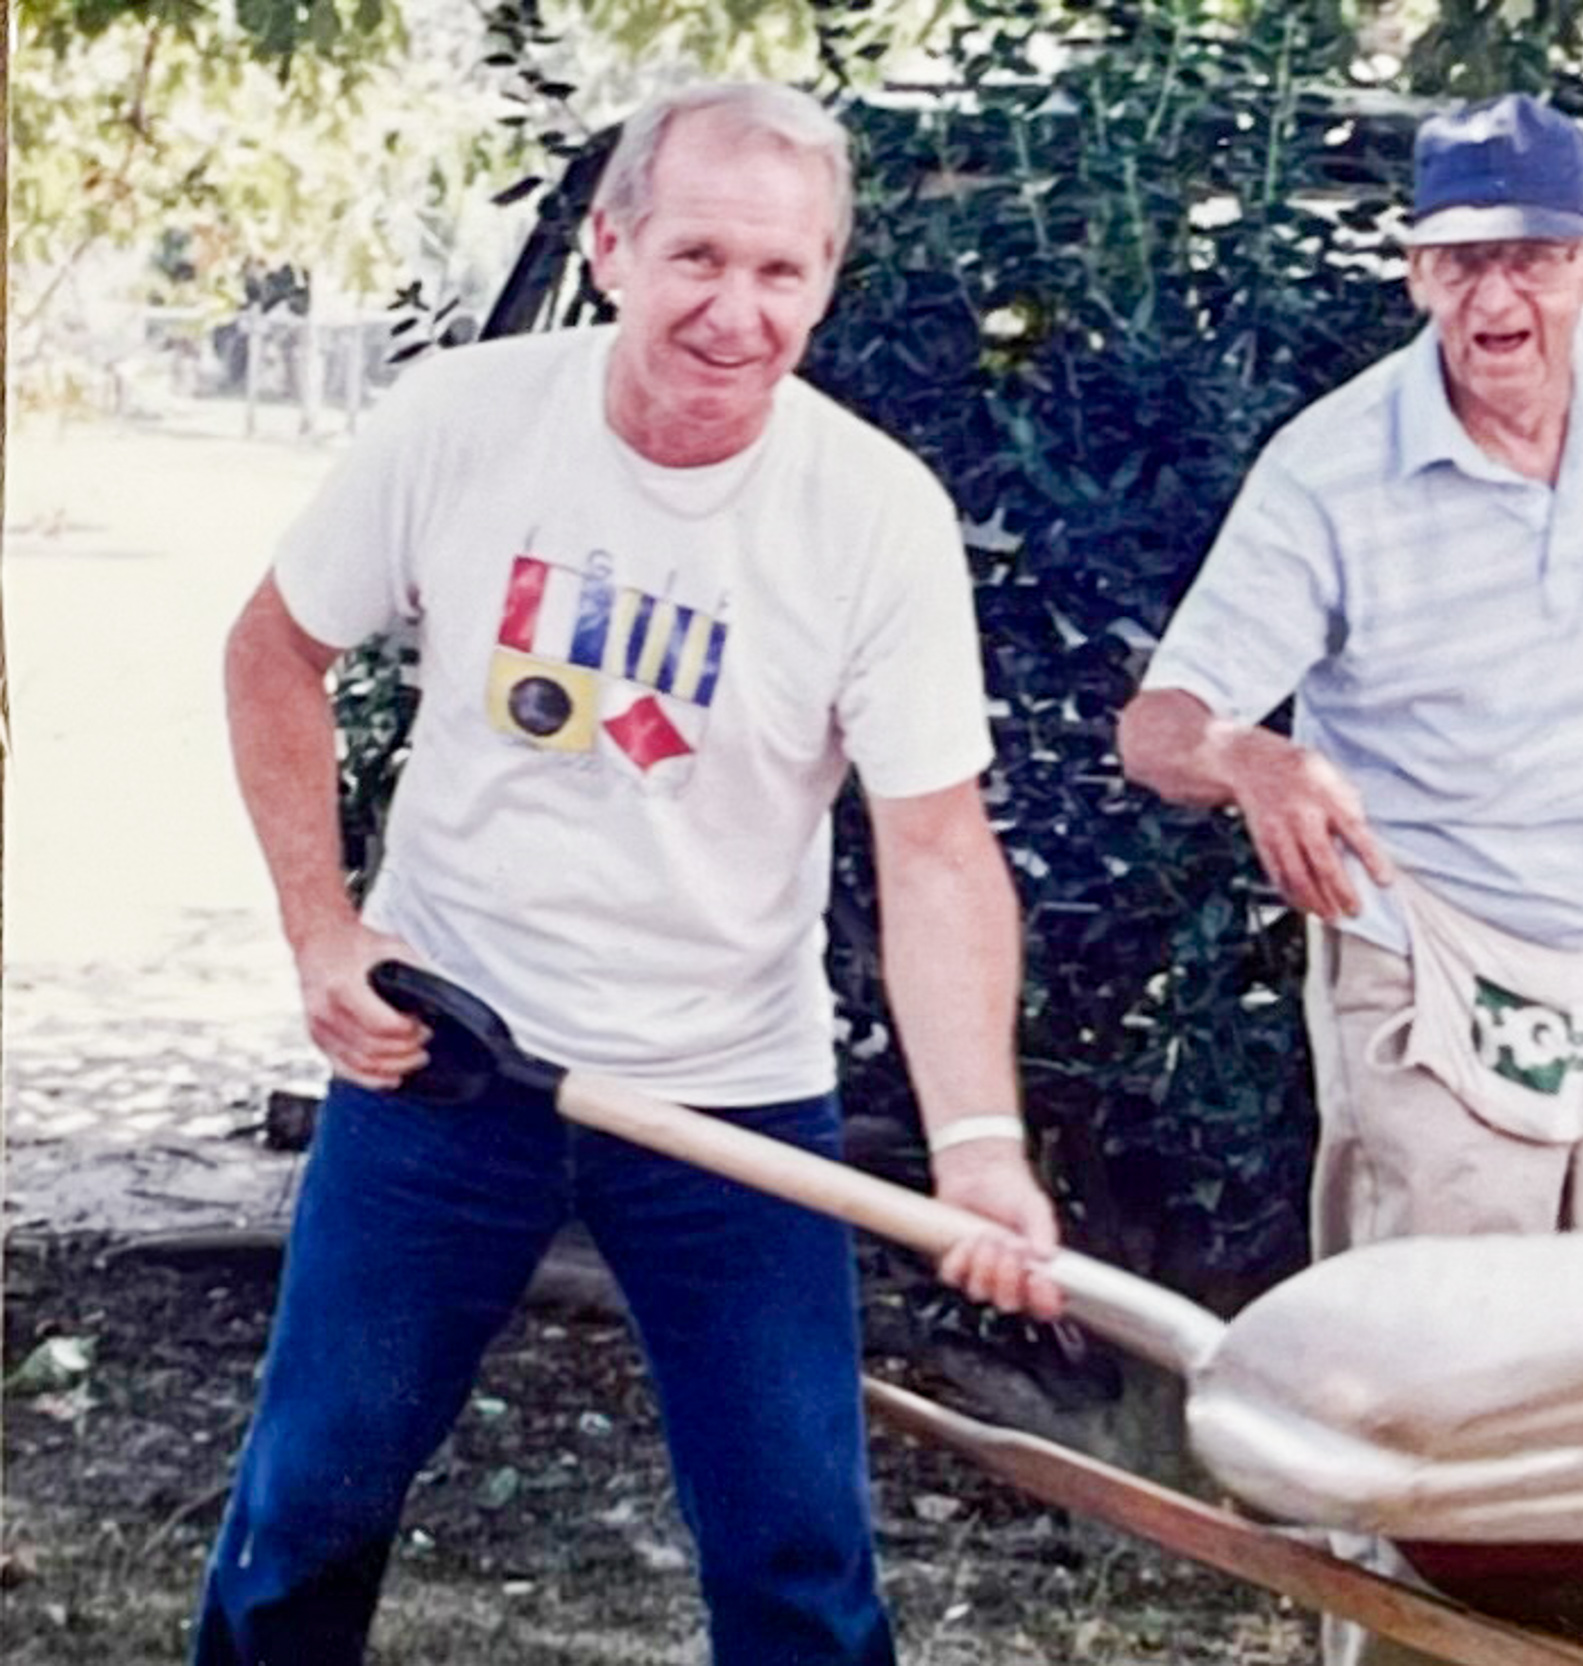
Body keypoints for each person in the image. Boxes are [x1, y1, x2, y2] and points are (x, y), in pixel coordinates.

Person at [197, 82, 1060, 1666]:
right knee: (307, 1504)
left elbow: (934, 846)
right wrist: (323, 928)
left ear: (827, 281)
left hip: (729, 1102)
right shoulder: (462, 422)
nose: (735, 311)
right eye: (697, 256)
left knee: (799, 1557)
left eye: (782, 271)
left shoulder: (875, 516)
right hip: (447, 1063)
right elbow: (274, 652)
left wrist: (982, 1145)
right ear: (610, 247)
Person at [1116, 93, 1583, 1665]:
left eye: (1532, 255)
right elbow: (1160, 723)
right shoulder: (1330, 472)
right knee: (1438, 1377)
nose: (1499, 301)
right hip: (1434, 949)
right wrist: (1256, 760)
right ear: (1411, 272)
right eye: (1460, 263)